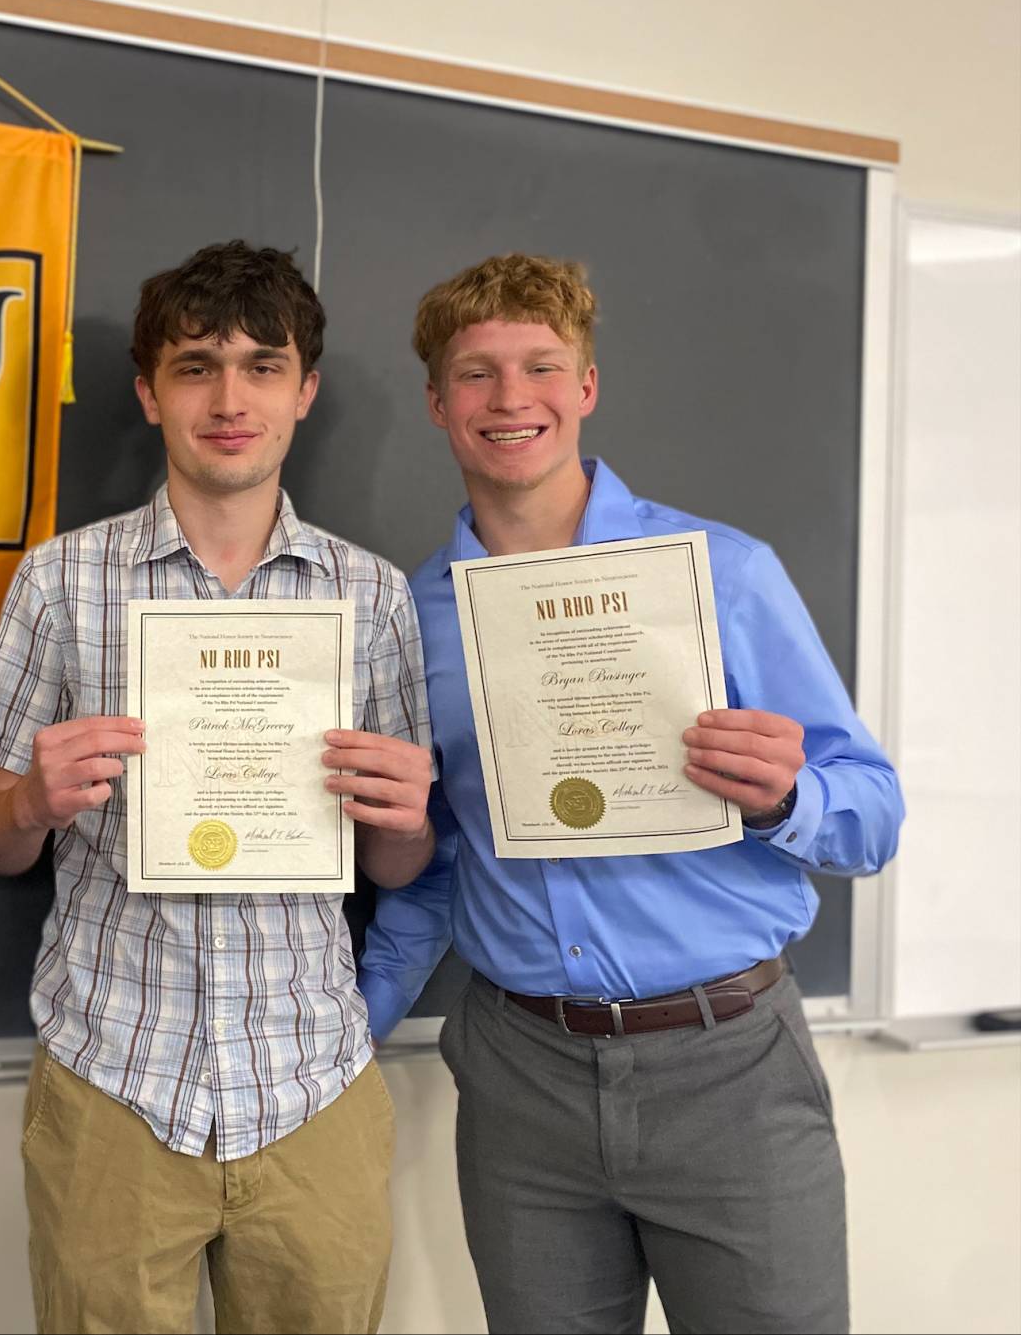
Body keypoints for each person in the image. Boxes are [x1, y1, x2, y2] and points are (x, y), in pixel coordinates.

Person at [362, 253, 902, 1335]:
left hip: (731, 1065)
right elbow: (436, 875)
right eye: (475, 374)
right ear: (436, 402)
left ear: (588, 387)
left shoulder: (722, 572)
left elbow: (871, 814)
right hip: (523, 1079)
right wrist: (339, 1037)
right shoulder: (407, 618)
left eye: (541, 366)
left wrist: (780, 797)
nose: (511, 399)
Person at [0, 240, 432, 1334]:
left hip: (310, 1082)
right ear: (148, 389)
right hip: (112, 1078)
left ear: (306, 391)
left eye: (264, 365)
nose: (231, 398)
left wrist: (407, 819)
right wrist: (29, 801)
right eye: (196, 365)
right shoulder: (60, 577)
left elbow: (399, 864)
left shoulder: (372, 595)